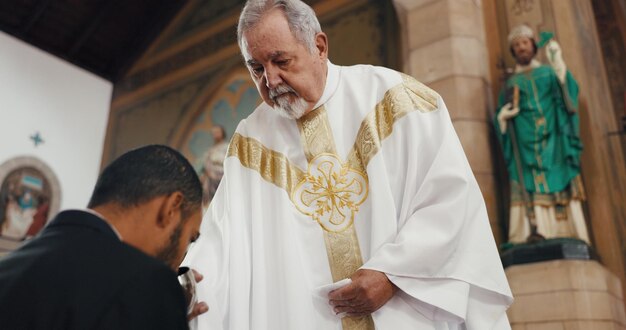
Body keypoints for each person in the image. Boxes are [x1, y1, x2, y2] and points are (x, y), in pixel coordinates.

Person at [183, 1, 513, 329]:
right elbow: (221, 242)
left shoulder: (397, 101)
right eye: (256, 69)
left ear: (319, 46)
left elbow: (452, 202)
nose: (270, 80)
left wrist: (393, 273)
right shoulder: (250, 143)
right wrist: (182, 290)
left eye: (281, 60)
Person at [0, 145, 208, 330]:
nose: (181, 260)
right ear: (171, 208)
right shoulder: (147, 286)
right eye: (190, 238)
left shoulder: (9, 268)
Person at [495, 24, 589, 244]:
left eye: (525, 43)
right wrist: (502, 118)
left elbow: (568, 92)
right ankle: (536, 231)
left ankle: (567, 231)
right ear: (513, 51)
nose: (521, 48)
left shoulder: (547, 73)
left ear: (533, 45)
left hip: (554, 141)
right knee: (527, 181)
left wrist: (558, 63)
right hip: (524, 145)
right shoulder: (511, 83)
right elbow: (501, 113)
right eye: (516, 45)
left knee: (561, 177)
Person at [198, 125, 229, 205]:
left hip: (223, 177)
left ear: (222, 133)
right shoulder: (210, 150)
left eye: (217, 132)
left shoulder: (227, 147)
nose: (215, 134)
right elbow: (205, 166)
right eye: (214, 133)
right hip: (210, 183)